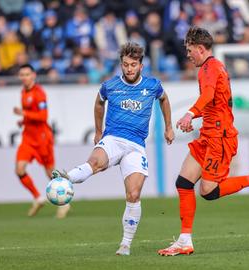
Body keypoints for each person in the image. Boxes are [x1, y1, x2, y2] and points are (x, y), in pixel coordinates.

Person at [157, 26, 249, 257]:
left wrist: (189, 113)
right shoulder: (210, 68)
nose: (188, 54)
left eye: (189, 50)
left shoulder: (210, 67)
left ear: (200, 48)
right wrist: (196, 117)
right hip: (208, 133)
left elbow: (207, 96)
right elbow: (216, 103)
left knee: (208, 191)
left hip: (219, 137)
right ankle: (185, 241)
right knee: (184, 183)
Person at [52, 42, 175, 256]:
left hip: (136, 146)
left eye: (133, 65)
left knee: (134, 194)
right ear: (121, 65)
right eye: (125, 64)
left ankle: (125, 244)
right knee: (95, 163)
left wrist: (169, 126)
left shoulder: (153, 85)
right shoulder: (110, 86)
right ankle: (66, 179)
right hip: (113, 138)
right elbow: (99, 103)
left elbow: (164, 100)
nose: (129, 69)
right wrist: (99, 131)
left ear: (141, 66)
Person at [13, 64, 69, 218]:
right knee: (19, 169)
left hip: (42, 138)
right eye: (22, 74)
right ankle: (38, 198)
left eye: (27, 74)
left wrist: (24, 113)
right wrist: (23, 121)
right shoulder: (23, 92)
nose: (24, 77)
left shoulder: (39, 93)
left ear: (33, 75)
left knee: (50, 172)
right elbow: (31, 115)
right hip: (28, 138)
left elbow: (43, 117)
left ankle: (65, 202)